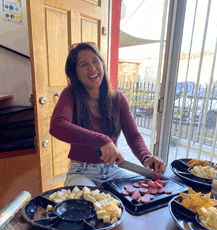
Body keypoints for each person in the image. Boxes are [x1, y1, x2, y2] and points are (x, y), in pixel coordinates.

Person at [49, 42, 166, 187]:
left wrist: (145, 156)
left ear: (102, 64)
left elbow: (133, 136)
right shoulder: (70, 94)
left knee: (148, 191)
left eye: (95, 60)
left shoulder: (118, 99)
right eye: (83, 64)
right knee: (84, 205)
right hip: (81, 172)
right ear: (76, 74)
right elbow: (57, 126)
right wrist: (101, 140)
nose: (92, 68)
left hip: (114, 170)